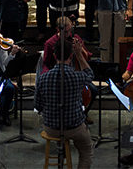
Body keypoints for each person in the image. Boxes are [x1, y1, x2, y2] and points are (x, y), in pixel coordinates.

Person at [35, 38, 94, 169]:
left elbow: (38, 105)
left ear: (55, 55)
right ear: (71, 55)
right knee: (86, 152)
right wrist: (80, 54)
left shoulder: (43, 78)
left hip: (51, 127)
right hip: (75, 127)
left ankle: (61, 150)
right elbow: (90, 74)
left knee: (60, 136)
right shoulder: (76, 76)